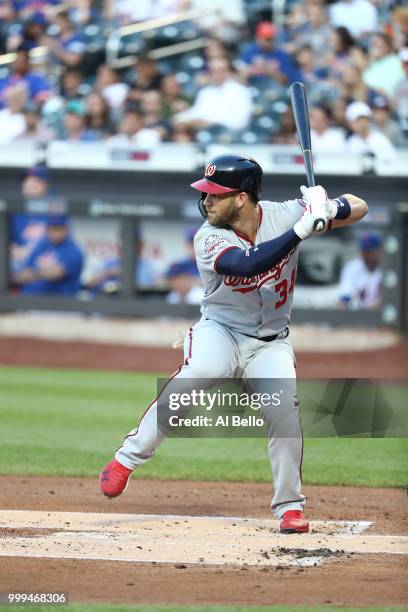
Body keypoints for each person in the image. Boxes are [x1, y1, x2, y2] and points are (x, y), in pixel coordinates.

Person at [99, 153, 368, 534]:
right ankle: (126, 459)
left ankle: (290, 506)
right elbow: (245, 266)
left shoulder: (287, 213)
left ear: (241, 198)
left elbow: (361, 206)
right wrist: (301, 231)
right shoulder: (208, 235)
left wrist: (330, 207)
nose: (206, 200)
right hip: (219, 330)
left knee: (284, 411)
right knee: (203, 370)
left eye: (215, 194)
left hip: (271, 341)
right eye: (206, 193)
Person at [174, 57, 252, 132]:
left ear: (229, 72)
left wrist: (210, 122)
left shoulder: (240, 91)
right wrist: (182, 116)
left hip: (228, 136)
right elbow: (197, 113)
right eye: (213, 71)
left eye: (220, 71)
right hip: (204, 133)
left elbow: (241, 121)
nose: (216, 74)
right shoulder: (205, 92)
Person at [13, 214, 84, 295]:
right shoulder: (41, 246)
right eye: (52, 228)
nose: (55, 232)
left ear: (67, 229)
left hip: (56, 302)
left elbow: (57, 273)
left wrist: (33, 274)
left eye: (59, 228)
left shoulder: (73, 250)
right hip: (28, 298)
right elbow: (22, 273)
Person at [239, 21, 302, 86]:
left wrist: (268, 70)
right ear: (258, 37)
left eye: (271, 39)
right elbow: (241, 77)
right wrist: (250, 71)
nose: (269, 42)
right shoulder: (249, 52)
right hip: (254, 88)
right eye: (267, 39)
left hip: (276, 90)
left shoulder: (281, 54)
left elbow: (286, 80)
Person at [338, 232, 382, 309]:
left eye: (370, 252)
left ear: (379, 251)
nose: (367, 256)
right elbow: (344, 299)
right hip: (356, 317)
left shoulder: (390, 269)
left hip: (382, 317)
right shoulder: (352, 267)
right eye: (364, 251)